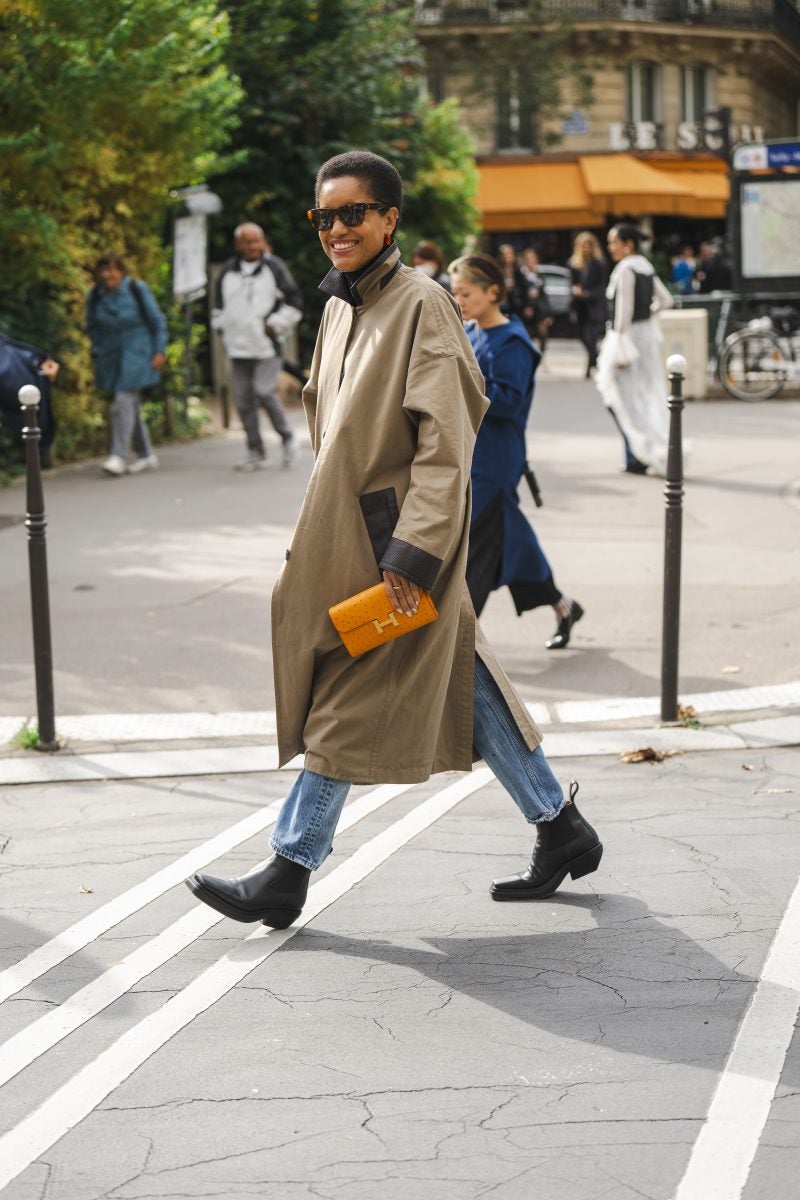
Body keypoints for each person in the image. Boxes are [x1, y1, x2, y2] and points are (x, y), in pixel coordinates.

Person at [186, 151, 602, 928]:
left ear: (389, 220)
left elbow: (447, 444)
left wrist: (411, 553)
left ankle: (290, 865)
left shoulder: (423, 304)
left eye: (353, 214)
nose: (337, 228)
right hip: (353, 539)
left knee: (347, 694)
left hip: (404, 551)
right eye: (325, 216)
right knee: (467, 688)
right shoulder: (341, 307)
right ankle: (561, 826)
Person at [450, 253, 584, 651]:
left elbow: (507, 403)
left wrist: (460, 379)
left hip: (496, 457)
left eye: (466, 293)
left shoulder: (514, 343)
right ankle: (563, 606)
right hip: (475, 453)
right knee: (509, 539)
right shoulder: (471, 330)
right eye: (455, 293)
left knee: (474, 545)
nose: (460, 301)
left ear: (494, 292)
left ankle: (457, 640)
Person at [213, 223, 303, 471]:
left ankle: (287, 437)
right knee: (242, 400)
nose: (252, 246)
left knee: (263, 391)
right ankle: (256, 450)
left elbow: (294, 301)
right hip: (238, 346)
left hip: (266, 346)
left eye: (256, 241)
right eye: (246, 241)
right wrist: (223, 326)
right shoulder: (227, 271)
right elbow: (218, 306)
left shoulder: (274, 268)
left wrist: (275, 325)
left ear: (263, 242)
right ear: (238, 244)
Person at [595, 223, 675, 476]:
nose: (610, 248)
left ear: (627, 244)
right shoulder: (645, 266)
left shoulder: (626, 270)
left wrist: (618, 343)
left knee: (621, 397)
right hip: (646, 337)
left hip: (627, 340)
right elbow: (666, 300)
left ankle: (639, 454)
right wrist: (647, 316)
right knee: (645, 395)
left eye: (614, 242)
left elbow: (623, 313)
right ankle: (643, 452)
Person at [86, 253, 167, 476]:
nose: (107, 275)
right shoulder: (96, 295)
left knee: (123, 399)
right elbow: (91, 326)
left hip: (139, 353)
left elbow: (157, 321)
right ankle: (146, 455)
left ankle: (118, 456)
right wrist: (97, 349)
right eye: (103, 271)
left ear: (121, 271)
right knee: (129, 406)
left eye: (111, 270)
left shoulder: (136, 289)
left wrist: (160, 350)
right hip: (111, 356)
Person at [568, 232, 609, 377]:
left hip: (594, 306)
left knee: (591, 337)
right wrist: (575, 290)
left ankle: (589, 368)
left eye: (588, 245)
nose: (586, 249)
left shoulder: (599, 263)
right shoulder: (574, 264)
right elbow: (572, 283)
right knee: (581, 336)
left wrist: (588, 294)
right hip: (580, 307)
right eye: (583, 246)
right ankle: (597, 360)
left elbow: (602, 286)